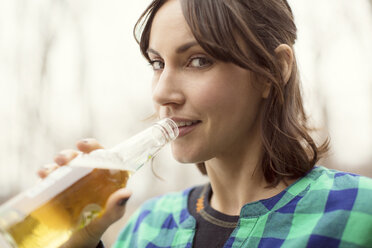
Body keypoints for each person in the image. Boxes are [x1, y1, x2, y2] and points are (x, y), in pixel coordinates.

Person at [40, 0, 372, 247]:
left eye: (198, 61)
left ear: (274, 70)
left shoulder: (359, 213)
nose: (162, 93)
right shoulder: (148, 227)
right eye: (157, 63)